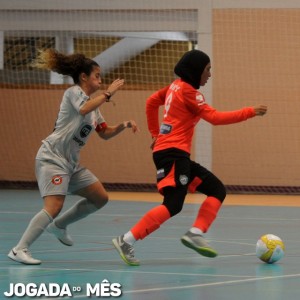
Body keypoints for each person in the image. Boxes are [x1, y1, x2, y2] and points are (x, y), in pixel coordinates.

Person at [112, 49, 267, 266]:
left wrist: (156, 135)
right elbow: (215, 118)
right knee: (173, 204)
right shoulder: (190, 93)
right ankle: (126, 240)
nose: (210, 74)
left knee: (216, 190)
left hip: (172, 154)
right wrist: (250, 111)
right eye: (207, 70)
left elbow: (150, 102)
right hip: (173, 154)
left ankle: (195, 232)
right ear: (196, 71)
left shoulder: (174, 87)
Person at [8, 48, 138, 265]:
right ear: (84, 77)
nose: (100, 79)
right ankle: (19, 249)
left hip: (70, 164)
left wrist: (124, 125)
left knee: (100, 198)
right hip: (52, 158)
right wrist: (108, 93)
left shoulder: (94, 108)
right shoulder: (73, 93)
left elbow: (104, 133)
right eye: (97, 75)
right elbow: (84, 109)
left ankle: (58, 226)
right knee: (54, 205)